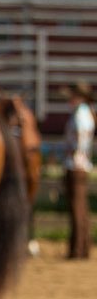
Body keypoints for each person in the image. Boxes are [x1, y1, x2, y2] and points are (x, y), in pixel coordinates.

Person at [61, 80, 95, 259]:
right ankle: (82, 247)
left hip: (76, 165)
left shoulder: (80, 115)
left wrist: (75, 154)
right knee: (81, 208)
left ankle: (77, 249)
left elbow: (80, 138)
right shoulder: (86, 113)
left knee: (77, 208)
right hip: (81, 164)